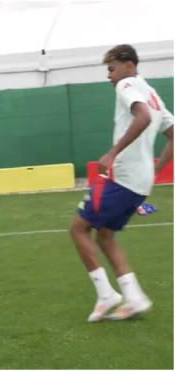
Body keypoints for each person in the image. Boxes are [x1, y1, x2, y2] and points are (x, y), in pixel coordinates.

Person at [69, 44, 173, 322]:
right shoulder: (152, 94)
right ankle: (135, 299)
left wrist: (112, 153)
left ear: (129, 65)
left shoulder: (126, 85)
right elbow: (173, 134)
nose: (109, 76)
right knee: (104, 236)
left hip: (122, 179)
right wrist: (156, 170)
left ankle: (107, 295)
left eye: (111, 68)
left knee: (78, 229)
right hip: (140, 182)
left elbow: (143, 117)